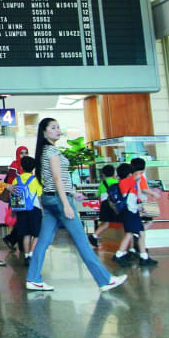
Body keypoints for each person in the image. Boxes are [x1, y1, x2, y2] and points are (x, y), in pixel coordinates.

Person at [26, 117, 126, 293]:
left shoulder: (43, 151)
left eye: (58, 127)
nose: (58, 130)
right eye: (53, 127)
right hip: (59, 199)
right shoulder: (52, 152)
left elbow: (55, 179)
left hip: (49, 199)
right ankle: (105, 280)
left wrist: (73, 193)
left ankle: (33, 278)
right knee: (82, 242)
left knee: (43, 241)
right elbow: (57, 178)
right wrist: (66, 203)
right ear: (44, 132)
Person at [112, 163, 158, 268]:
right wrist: (138, 173)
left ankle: (144, 256)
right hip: (129, 212)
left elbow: (138, 195)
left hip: (132, 211)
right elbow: (138, 177)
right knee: (130, 233)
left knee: (140, 232)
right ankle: (119, 255)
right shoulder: (126, 182)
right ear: (129, 174)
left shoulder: (126, 182)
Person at [13, 155, 43, 265]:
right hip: (34, 209)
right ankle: (31, 254)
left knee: (26, 234)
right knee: (37, 234)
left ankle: (25, 256)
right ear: (33, 167)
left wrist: (13, 211)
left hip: (21, 209)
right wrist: (43, 211)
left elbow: (14, 196)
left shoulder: (16, 180)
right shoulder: (36, 180)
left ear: (21, 167)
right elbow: (39, 197)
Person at [2, 146, 28, 251]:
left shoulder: (26, 165)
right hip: (16, 195)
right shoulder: (14, 165)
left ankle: (13, 240)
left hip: (25, 197)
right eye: (21, 153)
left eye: (26, 153)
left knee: (22, 220)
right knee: (21, 220)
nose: (24, 155)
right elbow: (11, 182)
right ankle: (14, 241)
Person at [88, 164, 119, 248]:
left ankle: (94, 235)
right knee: (121, 222)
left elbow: (99, 195)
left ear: (103, 174)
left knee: (105, 223)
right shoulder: (117, 182)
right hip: (114, 205)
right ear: (114, 174)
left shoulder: (102, 183)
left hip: (105, 204)